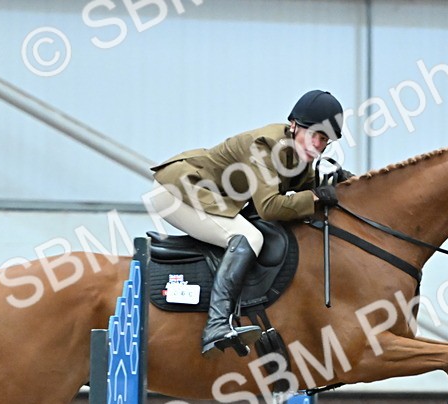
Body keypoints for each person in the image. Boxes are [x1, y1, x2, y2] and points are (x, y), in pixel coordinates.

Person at [146, 89, 351, 358]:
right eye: (316, 135)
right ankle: (216, 325)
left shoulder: (299, 156)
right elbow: (269, 207)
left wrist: (341, 183)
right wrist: (314, 196)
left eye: (324, 140)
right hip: (177, 190)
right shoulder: (264, 146)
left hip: (212, 196)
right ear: (294, 126)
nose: (318, 145)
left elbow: (307, 191)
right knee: (247, 238)